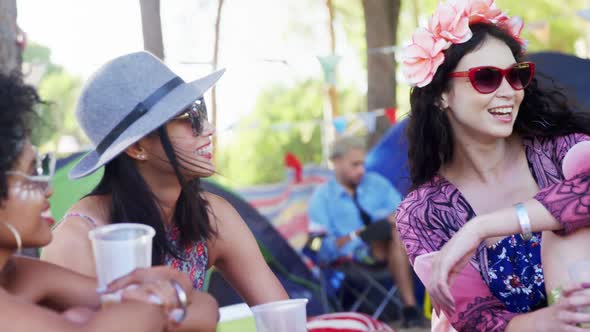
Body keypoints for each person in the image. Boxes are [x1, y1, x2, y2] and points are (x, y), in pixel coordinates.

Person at [396, 0, 590, 330]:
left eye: (516, 76)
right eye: (485, 78)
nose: (508, 92)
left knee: (567, 229)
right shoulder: (422, 213)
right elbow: (477, 320)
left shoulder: (561, 151)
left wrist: (482, 227)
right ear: (441, 94)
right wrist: (550, 322)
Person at [41, 51, 288, 307]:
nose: (208, 129)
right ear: (137, 148)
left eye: (200, 109)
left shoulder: (212, 216)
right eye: (189, 117)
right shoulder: (78, 240)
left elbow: (281, 314)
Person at [0, 71, 220, 331]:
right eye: (30, 174)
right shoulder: (59, 249)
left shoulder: (23, 275)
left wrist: (130, 309)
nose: (48, 190)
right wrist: (157, 298)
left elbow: (207, 308)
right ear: (136, 148)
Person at [307, 136, 422, 327]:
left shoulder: (377, 183)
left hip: (393, 247)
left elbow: (405, 212)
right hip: (351, 259)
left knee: (397, 228)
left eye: (363, 164)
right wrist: (356, 235)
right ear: (336, 162)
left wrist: (392, 220)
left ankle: (410, 308)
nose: (361, 170)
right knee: (388, 230)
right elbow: (317, 246)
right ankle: (410, 309)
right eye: (355, 164)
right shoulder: (321, 198)